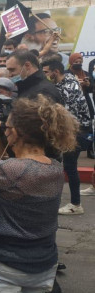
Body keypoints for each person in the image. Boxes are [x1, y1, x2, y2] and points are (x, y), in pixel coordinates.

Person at [0, 96, 76, 293]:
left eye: (7, 127)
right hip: (40, 264)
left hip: (0, 265)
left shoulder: (9, 170)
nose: (5, 130)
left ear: (17, 133)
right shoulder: (54, 168)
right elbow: (14, 185)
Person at [41, 59, 92, 215]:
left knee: (70, 166)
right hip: (72, 129)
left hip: (77, 131)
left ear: (55, 72)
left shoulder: (68, 87)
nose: (45, 75)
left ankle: (76, 204)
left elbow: (67, 115)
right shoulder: (64, 83)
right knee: (64, 165)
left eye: (46, 72)